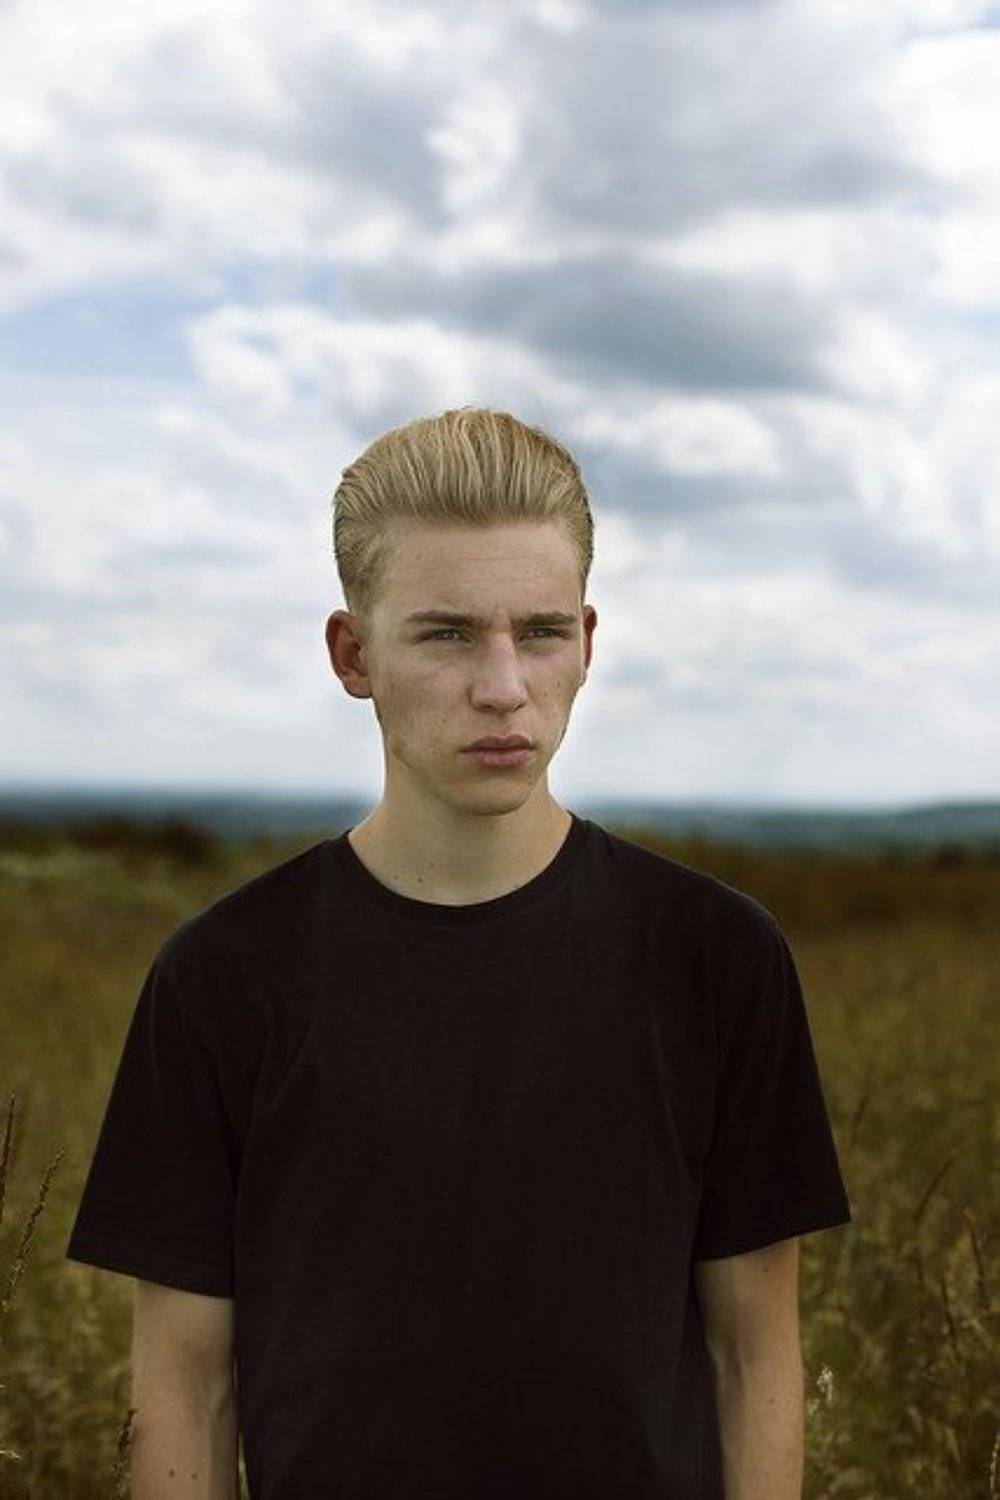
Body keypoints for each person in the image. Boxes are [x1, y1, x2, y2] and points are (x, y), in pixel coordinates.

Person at [65, 406, 852, 1498]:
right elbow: (186, 1384)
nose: (502, 686)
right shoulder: (222, 978)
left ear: (587, 641)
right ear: (353, 654)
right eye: (445, 634)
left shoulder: (715, 957)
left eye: (539, 632)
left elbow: (751, 1354)